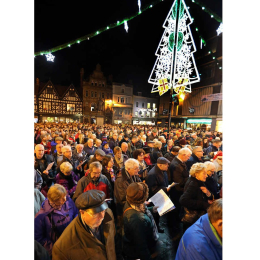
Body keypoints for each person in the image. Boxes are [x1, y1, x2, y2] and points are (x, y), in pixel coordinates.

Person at [52, 190, 120, 260]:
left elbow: (114, 241)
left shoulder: (108, 214)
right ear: (82, 212)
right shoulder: (63, 247)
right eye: (95, 214)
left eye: (103, 210)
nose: (102, 216)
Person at [34, 184, 78, 257]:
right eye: (61, 199)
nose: (65, 200)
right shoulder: (41, 216)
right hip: (59, 250)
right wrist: (55, 249)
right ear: (53, 201)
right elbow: (39, 238)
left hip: (73, 242)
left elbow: (76, 212)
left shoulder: (68, 201)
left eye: (65, 197)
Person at [122, 182, 160, 260]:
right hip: (142, 250)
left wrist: (152, 209)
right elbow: (141, 246)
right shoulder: (137, 220)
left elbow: (143, 209)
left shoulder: (131, 202)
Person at [179, 163, 214, 231]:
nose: (206, 176)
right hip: (192, 219)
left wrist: (208, 193)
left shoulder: (198, 181)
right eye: (204, 173)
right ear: (196, 174)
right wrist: (203, 204)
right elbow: (183, 200)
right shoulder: (193, 184)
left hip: (196, 218)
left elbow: (206, 196)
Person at [168, 148, 192, 232]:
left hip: (179, 190)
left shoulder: (179, 162)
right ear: (183, 155)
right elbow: (179, 182)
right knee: (176, 209)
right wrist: (190, 177)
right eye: (188, 156)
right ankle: (174, 227)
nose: (189, 158)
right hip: (177, 191)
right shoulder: (176, 165)